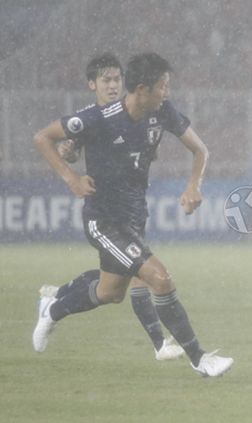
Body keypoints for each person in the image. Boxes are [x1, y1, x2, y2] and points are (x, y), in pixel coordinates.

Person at [32, 52, 233, 377]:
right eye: (163, 87)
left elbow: (200, 150)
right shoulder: (98, 118)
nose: (167, 93)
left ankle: (53, 309)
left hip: (135, 216)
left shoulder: (162, 112)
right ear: (142, 89)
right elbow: (43, 137)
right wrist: (71, 179)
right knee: (159, 277)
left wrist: (194, 185)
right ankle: (200, 359)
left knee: (110, 292)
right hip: (103, 220)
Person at [42, 52, 184, 362]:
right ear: (91, 84)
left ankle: (60, 295)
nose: (113, 85)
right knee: (138, 273)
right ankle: (160, 344)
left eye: (117, 79)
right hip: (106, 214)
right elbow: (58, 144)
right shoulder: (92, 117)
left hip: (134, 207)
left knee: (113, 287)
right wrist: (71, 167)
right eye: (106, 80)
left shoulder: (139, 113)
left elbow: (150, 150)